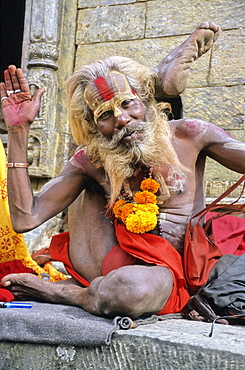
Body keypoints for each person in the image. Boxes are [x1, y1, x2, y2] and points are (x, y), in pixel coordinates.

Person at [1, 21, 243, 319]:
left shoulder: (190, 134)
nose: (121, 118)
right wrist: (18, 132)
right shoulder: (90, 160)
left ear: (146, 100)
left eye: (128, 103)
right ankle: (86, 292)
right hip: (129, 270)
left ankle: (67, 293)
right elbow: (26, 218)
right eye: (105, 114)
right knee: (126, 288)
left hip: (184, 267)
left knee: (134, 288)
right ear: (93, 125)